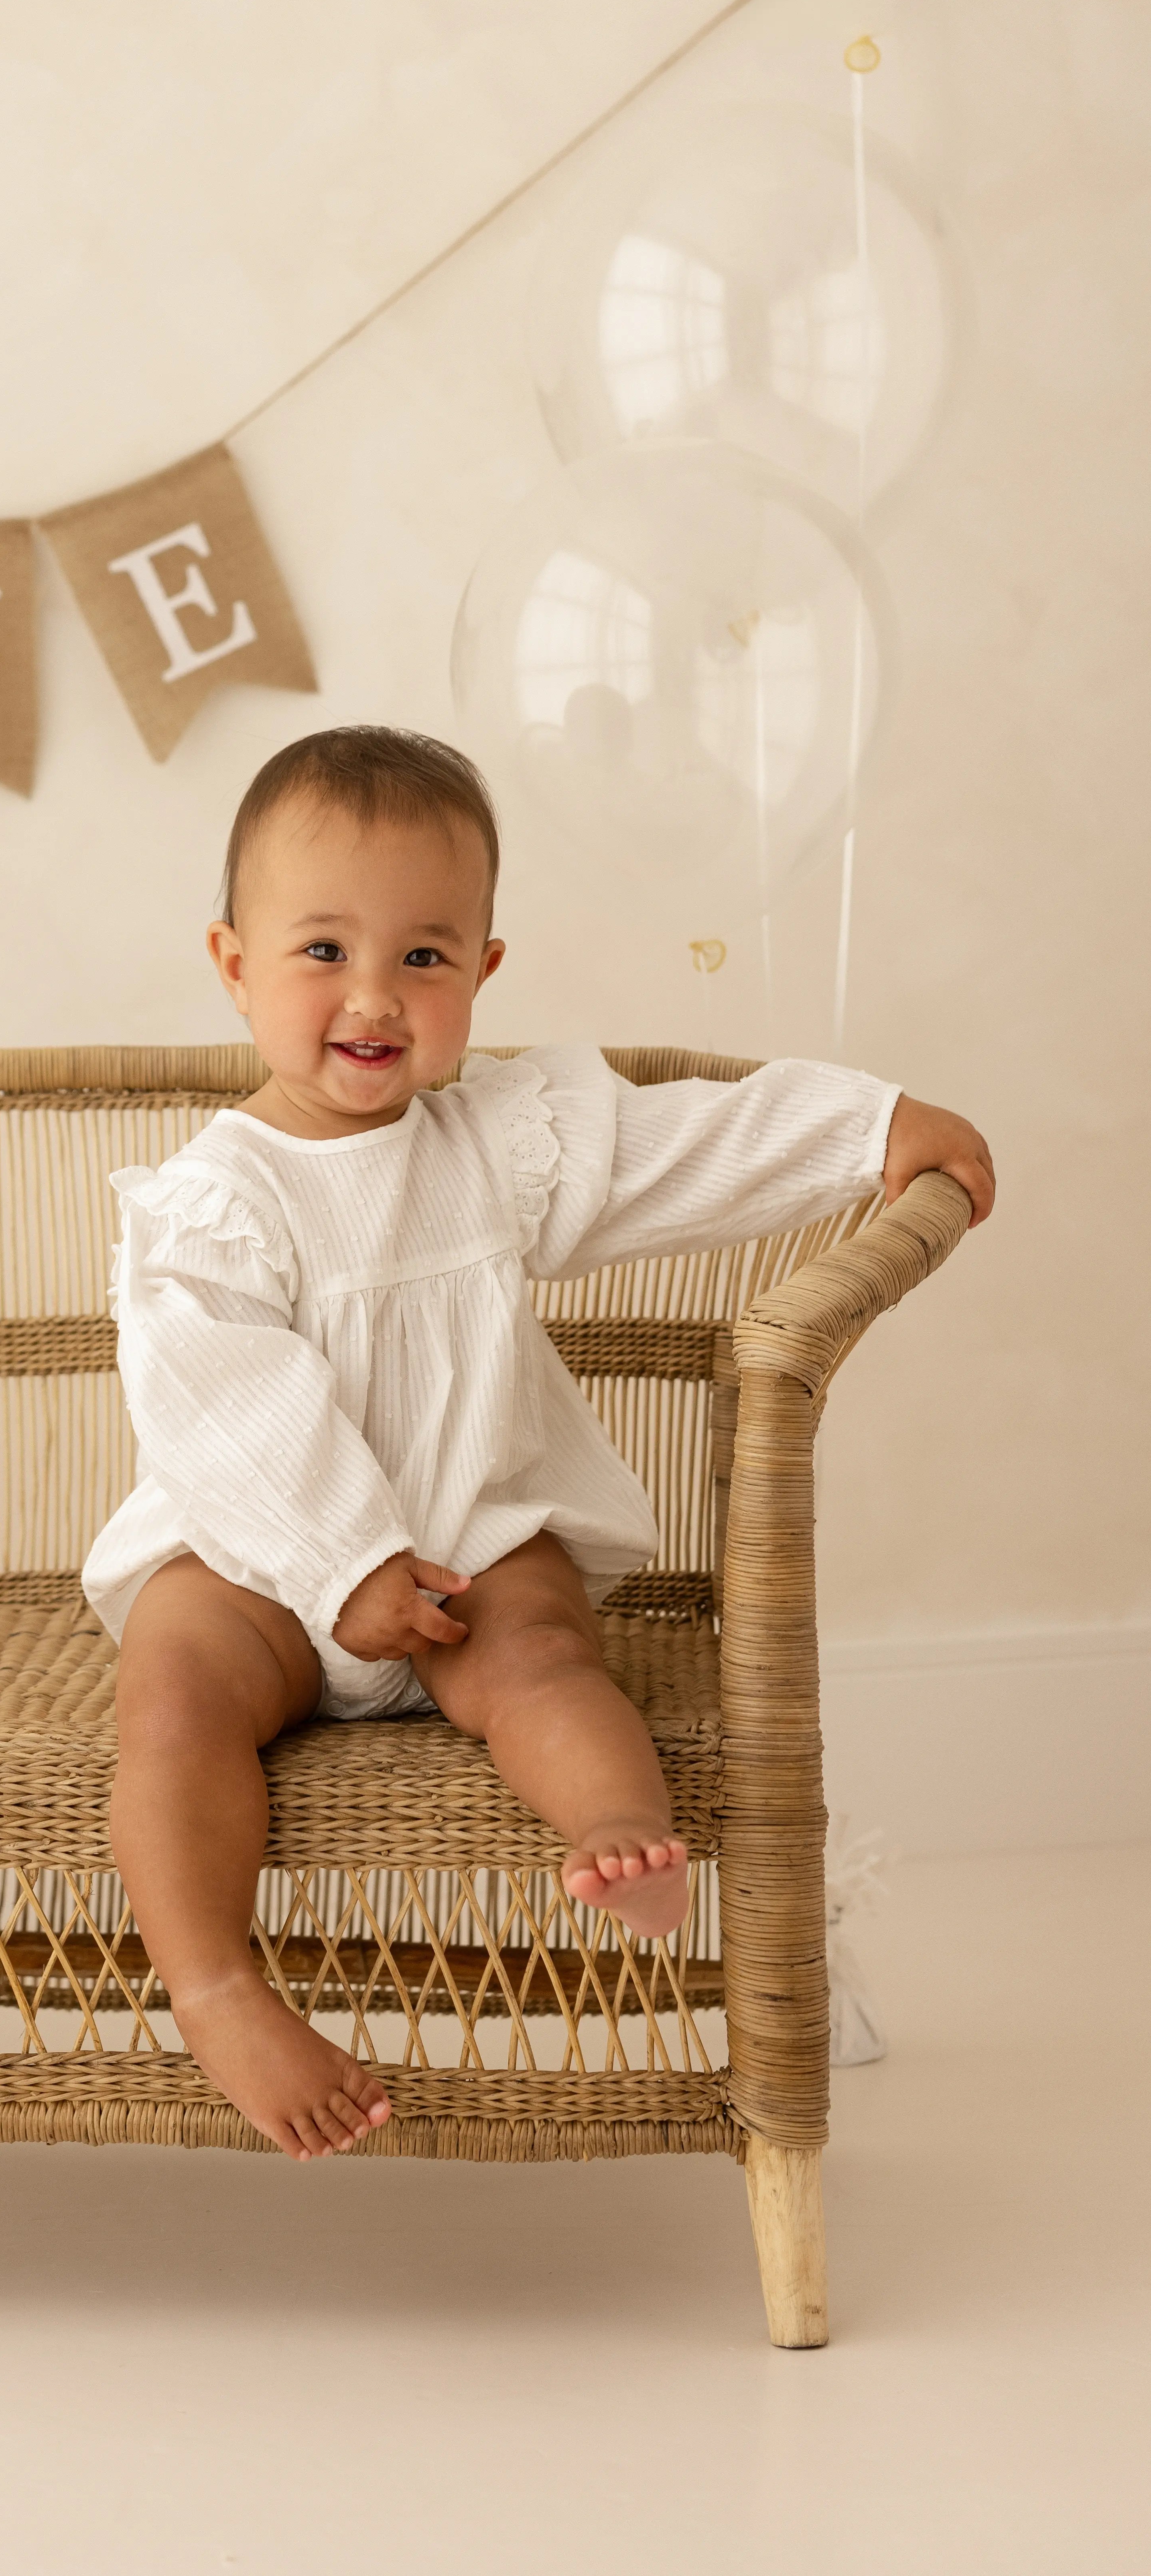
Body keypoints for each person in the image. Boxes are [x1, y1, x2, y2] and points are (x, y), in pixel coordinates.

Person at [85, 726, 994, 2163]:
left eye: (425, 957)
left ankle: (619, 1831)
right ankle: (218, 1990)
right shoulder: (213, 1202)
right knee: (173, 1691)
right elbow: (225, 1405)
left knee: (545, 1645)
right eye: (322, 949)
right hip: (265, 1566)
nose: (374, 995)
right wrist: (345, 1562)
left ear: (485, 973)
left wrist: (866, 1130)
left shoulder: (501, 1143)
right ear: (234, 960)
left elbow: (683, 1145)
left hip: (469, 1537)